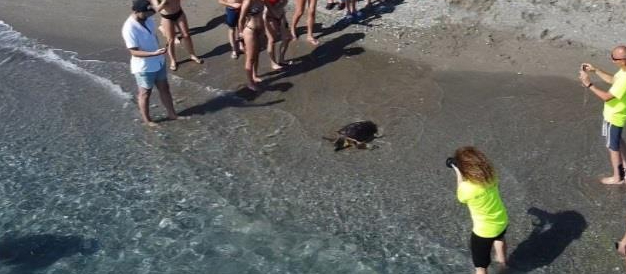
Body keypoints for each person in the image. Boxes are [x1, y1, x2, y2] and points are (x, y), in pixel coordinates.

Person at [448, 147, 508, 274]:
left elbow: (461, 196)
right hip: (501, 220)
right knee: (499, 238)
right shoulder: (491, 175)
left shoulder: (467, 189)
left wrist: (458, 171)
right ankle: (502, 265)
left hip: (483, 232)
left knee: (480, 267)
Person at [122, 0, 182, 126]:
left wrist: (162, 46)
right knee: (145, 93)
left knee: (165, 88)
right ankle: (147, 120)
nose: (149, 15)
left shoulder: (148, 18)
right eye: (146, 13)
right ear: (136, 11)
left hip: (158, 61)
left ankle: (172, 114)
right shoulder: (129, 28)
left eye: (150, 12)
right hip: (144, 67)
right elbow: (134, 52)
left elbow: (153, 34)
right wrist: (154, 54)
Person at [579, 45, 626, 184]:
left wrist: (589, 84)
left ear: (623, 60)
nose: (612, 61)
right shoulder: (623, 72)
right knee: (618, 141)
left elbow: (606, 96)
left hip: (614, 116)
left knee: (612, 147)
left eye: (614, 58)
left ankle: (618, 178)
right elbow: (613, 80)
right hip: (619, 114)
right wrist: (596, 70)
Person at [149, 0, 203, 71]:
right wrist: (164, 2)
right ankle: (173, 60)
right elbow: (157, 9)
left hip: (179, 13)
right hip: (166, 17)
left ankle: (192, 55)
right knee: (170, 39)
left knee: (186, 35)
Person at [239, 0, 265, 91]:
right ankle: (250, 82)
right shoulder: (248, 2)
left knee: (257, 54)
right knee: (250, 58)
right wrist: (241, 34)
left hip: (260, 30)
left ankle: (255, 75)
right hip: (250, 30)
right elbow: (241, 19)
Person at [264, 0, 292, 70]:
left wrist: (280, 6)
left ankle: (281, 59)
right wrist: (276, 12)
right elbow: (266, 4)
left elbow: (284, 2)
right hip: (269, 17)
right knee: (272, 40)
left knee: (287, 38)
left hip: (281, 15)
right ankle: (273, 62)